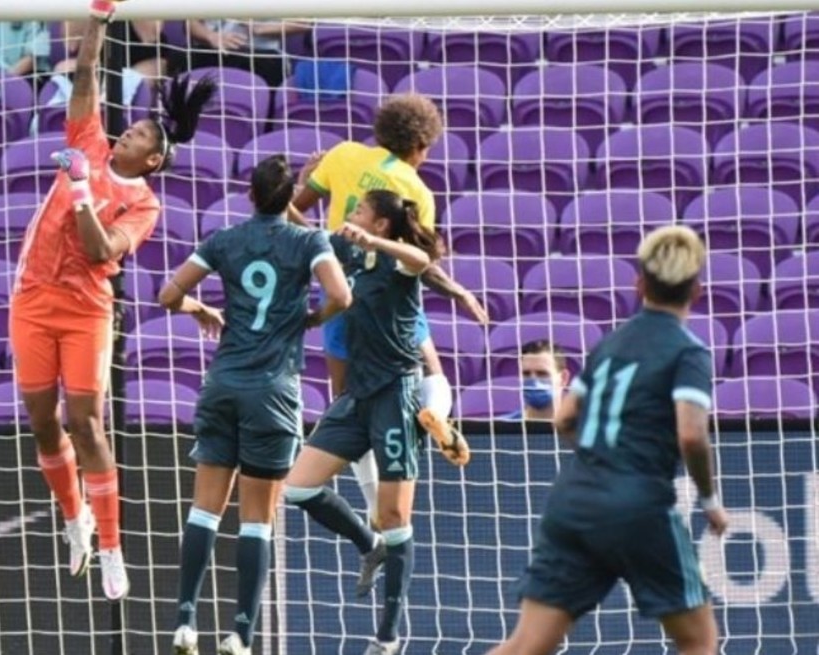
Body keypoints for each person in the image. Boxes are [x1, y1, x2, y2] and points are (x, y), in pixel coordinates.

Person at [9, 0, 217, 602]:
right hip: (32, 298)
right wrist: (97, 22)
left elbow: (101, 251)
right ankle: (74, 518)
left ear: (152, 159)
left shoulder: (146, 204)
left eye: (143, 134)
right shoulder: (91, 141)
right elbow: (85, 81)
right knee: (44, 424)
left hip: (86, 309)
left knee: (88, 423)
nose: (130, 129)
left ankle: (110, 548)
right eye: (133, 125)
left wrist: (77, 190)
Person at [485, 226, 728, 655]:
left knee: (525, 645)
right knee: (700, 641)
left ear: (639, 285)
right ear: (697, 290)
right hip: (637, 505)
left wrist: (600, 459)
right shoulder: (689, 352)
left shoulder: (610, 343)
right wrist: (709, 501)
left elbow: (564, 419)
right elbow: (691, 434)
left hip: (573, 500)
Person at [160, 155, 352, 655]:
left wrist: (200, 307)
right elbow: (341, 295)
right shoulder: (308, 240)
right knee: (255, 519)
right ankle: (241, 633)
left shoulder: (223, 240)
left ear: (249, 195)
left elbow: (167, 294)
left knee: (204, 510)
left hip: (222, 382)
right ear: (292, 200)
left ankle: (185, 621)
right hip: (272, 390)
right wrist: (310, 320)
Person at [290, 93, 486, 525]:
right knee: (432, 372)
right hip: (392, 304)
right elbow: (419, 261)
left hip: (338, 295)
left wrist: (321, 238)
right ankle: (435, 414)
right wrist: (459, 292)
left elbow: (292, 212)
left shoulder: (342, 155)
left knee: (349, 401)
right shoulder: (416, 189)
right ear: (420, 145)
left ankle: (373, 506)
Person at [282, 189, 447, 655]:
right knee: (297, 488)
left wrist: (376, 246)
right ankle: (365, 540)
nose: (350, 217)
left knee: (396, 515)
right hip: (357, 396)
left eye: (359, 211)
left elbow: (419, 257)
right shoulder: (348, 251)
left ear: (380, 225)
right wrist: (294, 194)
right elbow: (308, 229)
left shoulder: (400, 266)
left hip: (396, 394)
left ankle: (388, 636)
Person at [500, 340, 571, 421]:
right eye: (526, 374)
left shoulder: (584, 429)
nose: (533, 380)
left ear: (563, 378)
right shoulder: (499, 429)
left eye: (542, 374)